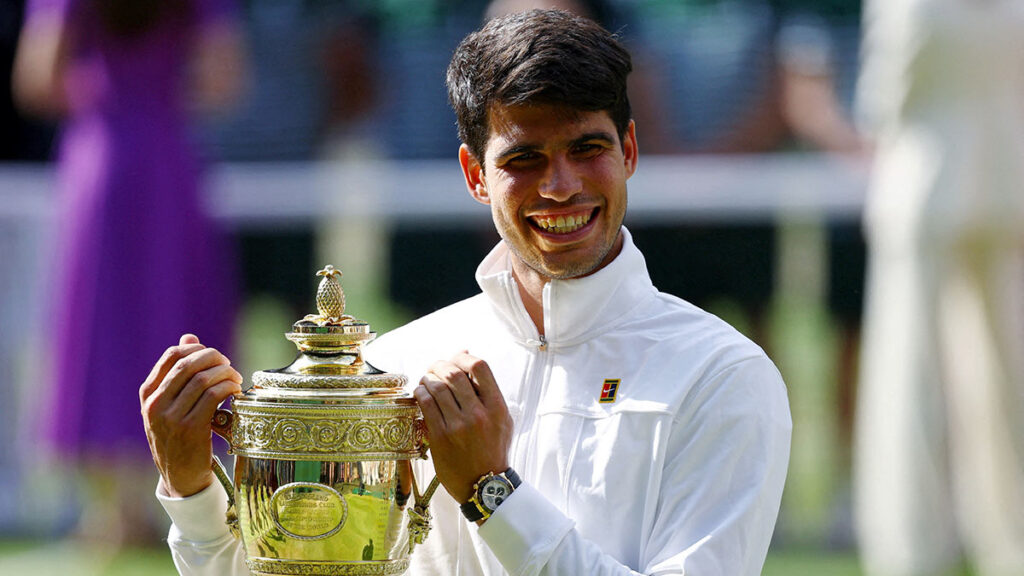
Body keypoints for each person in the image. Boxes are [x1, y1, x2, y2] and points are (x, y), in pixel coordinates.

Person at [140, 9, 791, 575]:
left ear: (629, 151)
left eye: (587, 148)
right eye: (524, 159)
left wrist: (492, 493)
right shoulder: (397, 367)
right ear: (475, 175)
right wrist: (191, 486)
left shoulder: (719, 374)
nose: (561, 185)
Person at [13, 0, 244, 545]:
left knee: (98, 324)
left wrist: (102, 92)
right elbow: (222, 82)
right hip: (167, 159)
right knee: (172, 314)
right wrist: (157, 94)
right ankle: (167, 495)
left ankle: (108, 507)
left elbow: (36, 79)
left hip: (100, 158)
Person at [853, 0, 1024, 575]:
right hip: (1007, 188)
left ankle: (911, 543)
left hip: (926, 186)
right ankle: (1007, 542)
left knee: (910, 379)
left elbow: (883, 99)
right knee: (1007, 378)